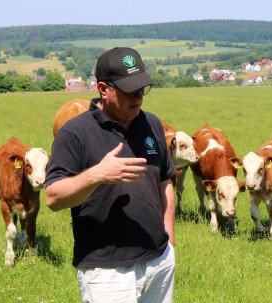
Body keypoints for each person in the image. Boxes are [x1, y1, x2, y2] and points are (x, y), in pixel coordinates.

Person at [45, 47, 176, 303]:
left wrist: (168, 240)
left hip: (158, 261)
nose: (139, 96)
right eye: (129, 90)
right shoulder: (75, 133)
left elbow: (165, 182)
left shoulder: (152, 124)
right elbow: (53, 198)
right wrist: (96, 175)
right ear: (103, 89)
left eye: (143, 88)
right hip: (107, 271)